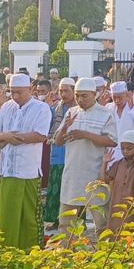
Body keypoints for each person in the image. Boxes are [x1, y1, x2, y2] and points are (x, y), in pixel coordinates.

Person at [0, 73, 52, 250]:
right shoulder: (7, 106)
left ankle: (29, 252)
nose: (15, 96)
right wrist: (3, 136)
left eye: (19, 92)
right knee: (6, 215)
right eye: (11, 92)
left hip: (28, 170)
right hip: (6, 170)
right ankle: (5, 251)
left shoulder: (41, 108)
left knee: (28, 216)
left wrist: (8, 138)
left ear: (30, 89)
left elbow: (40, 135)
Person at [54, 77, 117, 237]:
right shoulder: (71, 112)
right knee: (66, 223)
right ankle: (65, 256)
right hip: (72, 174)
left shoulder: (105, 114)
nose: (80, 99)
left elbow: (112, 141)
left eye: (84, 96)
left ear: (94, 94)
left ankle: (105, 257)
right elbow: (58, 141)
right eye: (77, 95)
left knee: (102, 224)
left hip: (95, 174)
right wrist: (65, 128)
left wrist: (86, 135)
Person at [101, 129, 134, 232]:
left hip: (133, 207)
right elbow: (104, 179)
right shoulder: (118, 164)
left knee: (132, 231)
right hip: (117, 204)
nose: (125, 151)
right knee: (115, 230)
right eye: (122, 149)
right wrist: (104, 163)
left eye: (129, 148)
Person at [45, 77, 76, 227]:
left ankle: (72, 221)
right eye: (61, 91)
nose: (63, 94)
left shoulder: (80, 109)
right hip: (57, 154)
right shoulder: (55, 109)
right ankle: (55, 221)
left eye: (66, 91)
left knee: (72, 189)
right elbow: (48, 129)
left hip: (74, 154)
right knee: (56, 187)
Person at [107, 81, 134, 164]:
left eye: (120, 97)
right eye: (114, 97)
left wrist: (132, 108)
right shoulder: (108, 107)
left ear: (126, 95)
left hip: (128, 153)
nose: (117, 100)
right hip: (111, 153)